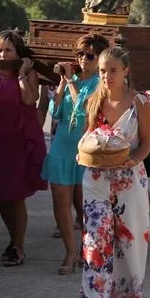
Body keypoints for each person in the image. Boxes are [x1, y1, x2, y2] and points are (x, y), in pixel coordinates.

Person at [78, 46, 150, 298]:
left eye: (113, 70)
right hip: (96, 180)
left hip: (129, 180)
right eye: (102, 71)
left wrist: (134, 159)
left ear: (125, 71)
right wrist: (82, 152)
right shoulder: (94, 100)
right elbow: (88, 136)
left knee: (129, 246)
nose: (107, 76)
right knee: (95, 245)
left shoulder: (141, 103)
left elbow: (146, 144)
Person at [0, 30, 48, 267]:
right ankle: (12, 238)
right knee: (3, 197)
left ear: (18, 53)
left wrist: (20, 74)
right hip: (0, 142)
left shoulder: (28, 74)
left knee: (16, 196)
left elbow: (29, 99)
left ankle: (17, 246)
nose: (1, 54)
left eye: (8, 50)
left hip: (22, 141)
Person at [42, 33, 109, 275]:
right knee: (60, 200)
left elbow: (84, 109)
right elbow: (57, 112)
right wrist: (62, 82)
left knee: (84, 205)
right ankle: (70, 251)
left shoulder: (100, 83)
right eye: (79, 54)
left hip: (85, 149)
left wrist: (70, 81)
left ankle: (85, 249)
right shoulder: (73, 80)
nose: (83, 60)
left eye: (89, 55)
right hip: (62, 145)